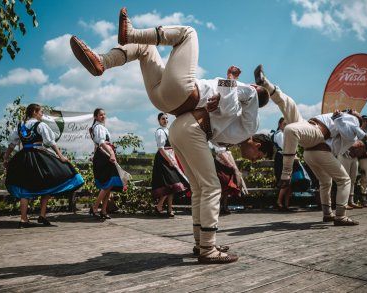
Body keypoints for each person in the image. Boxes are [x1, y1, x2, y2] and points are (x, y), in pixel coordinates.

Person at [70, 7, 271, 264]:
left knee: (187, 33)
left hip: (178, 110)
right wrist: (233, 92)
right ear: (259, 145)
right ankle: (102, 60)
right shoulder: (246, 118)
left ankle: (204, 244)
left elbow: (230, 105)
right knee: (151, 46)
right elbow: (233, 105)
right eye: (258, 155)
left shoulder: (241, 120)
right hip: (178, 109)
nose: (253, 159)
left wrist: (230, 82)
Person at [254, 64, 367, 226]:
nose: (352, 109)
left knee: (291, 128)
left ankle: (334, 214)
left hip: (313, 141)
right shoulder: (347, 117)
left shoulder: (351, 119)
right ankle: (265, 83)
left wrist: (345, 121)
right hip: (313, 138)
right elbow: (343, 140)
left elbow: (348, 132)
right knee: (289, 104)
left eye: (354, 111)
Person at [3, 104, 84, 228]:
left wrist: (6, 158)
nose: (42, 114)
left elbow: (12, 144)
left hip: (23, 158)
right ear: (35, 112)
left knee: (24, 187)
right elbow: (50, 142)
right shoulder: (40, 125)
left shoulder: (20, 126)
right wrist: (60, 156)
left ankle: (24, 219)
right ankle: (41, 215)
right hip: (38, 157)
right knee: (49, 182)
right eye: (41, 112)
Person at [151, 112, 189, 217]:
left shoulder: (168, 131)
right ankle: (160, 206)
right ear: (159, 121)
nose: (165, 120)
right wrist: (169, 160)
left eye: (167, 118)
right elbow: (161, 148)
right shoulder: (160, 132)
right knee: (172, 184)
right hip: (163, 159)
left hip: (171, 157)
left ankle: (169, 209)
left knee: (173, 185)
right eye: (163, 119)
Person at [89, 108, 125, 220]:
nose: (103, 116)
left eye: (104, 114)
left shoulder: (100, 127)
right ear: (96, 117)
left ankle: (103, 210)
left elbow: (97, 145)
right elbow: (101, 143)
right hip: (104, 156)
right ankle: (95, 207)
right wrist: (111, 154)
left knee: (110, 184)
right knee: (107, 184)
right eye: (100, 115)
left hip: (103, 155)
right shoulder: (99, 127)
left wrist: (95, 155)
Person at [213, 146, 243, 215]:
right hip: (221, 169)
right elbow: (221, 154)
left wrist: (232, 167)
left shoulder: (226, 150)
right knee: (221, 188)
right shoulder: (220, 148)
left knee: (226, 189)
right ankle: (218, 208)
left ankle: (224, 207)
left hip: (227, 170)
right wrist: (231, 165)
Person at [272, 117, 294, 211]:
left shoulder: (284, 134)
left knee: (288, 181)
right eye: (284, 124)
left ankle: (286, 204)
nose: (286, 126)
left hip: (286, 157)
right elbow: (283, 147)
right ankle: (279, 202)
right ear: (280, 125)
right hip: (282, 158)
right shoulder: (279, 134)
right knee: (285, 180)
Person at [338, 144, 363, 209]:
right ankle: (343, 203)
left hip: (354, 157)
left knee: (353, 179)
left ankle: (351, 201)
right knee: (344, 180)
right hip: (343, 155)